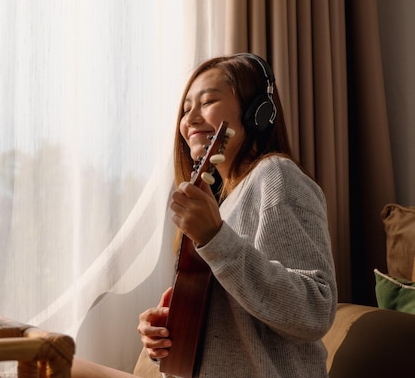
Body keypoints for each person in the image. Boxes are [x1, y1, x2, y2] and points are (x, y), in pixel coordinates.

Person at [135, 53, 338, 378]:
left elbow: (315, 310)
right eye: (186, 109)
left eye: (208, 101)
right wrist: (167, 333)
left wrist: (216, 238)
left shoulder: (275, 176)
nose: (190, 119)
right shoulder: (219, 206)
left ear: (258, 113)